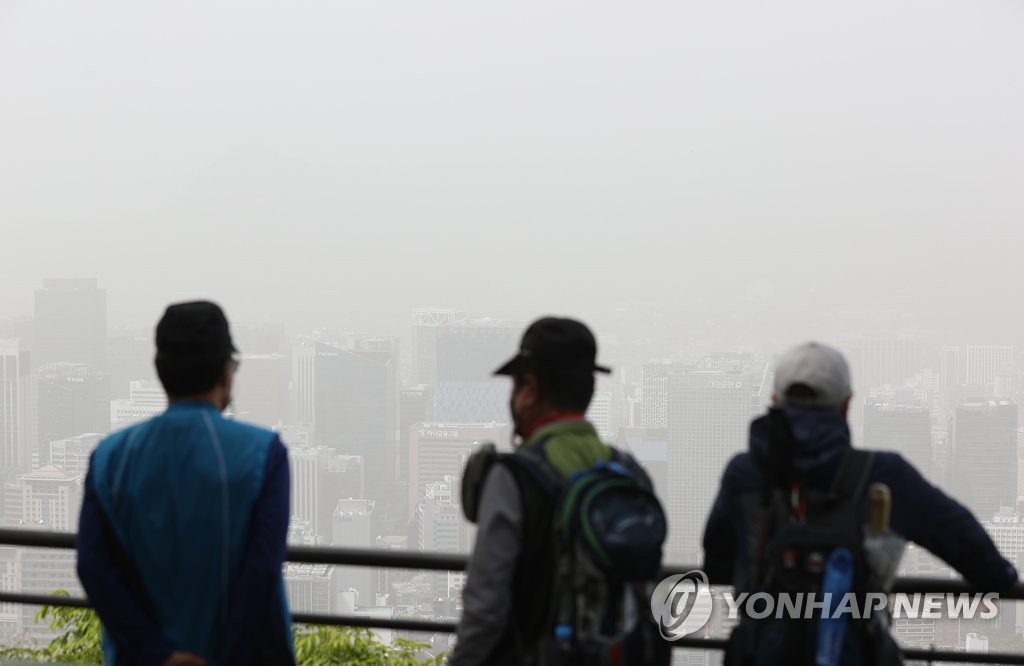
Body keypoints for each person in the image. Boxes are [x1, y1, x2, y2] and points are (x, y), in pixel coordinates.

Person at [703, 341, 1019, 665]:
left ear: (774, 402)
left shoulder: (745, 475)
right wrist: (1003, 579)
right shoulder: (883, 475)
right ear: (846, 406)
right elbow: (964, 541)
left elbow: (717, 557)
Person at [77, 301, 294, 666]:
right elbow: (262, 572)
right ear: (226, 372)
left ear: (161, 373)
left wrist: (159, 654)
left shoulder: (110, 457)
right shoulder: (263, 455)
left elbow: (93, 566)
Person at [452, 316, 667, 666]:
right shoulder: (629, 472)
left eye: (515, 385)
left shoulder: (513, 478)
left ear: (530, 389)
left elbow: (485, 606)